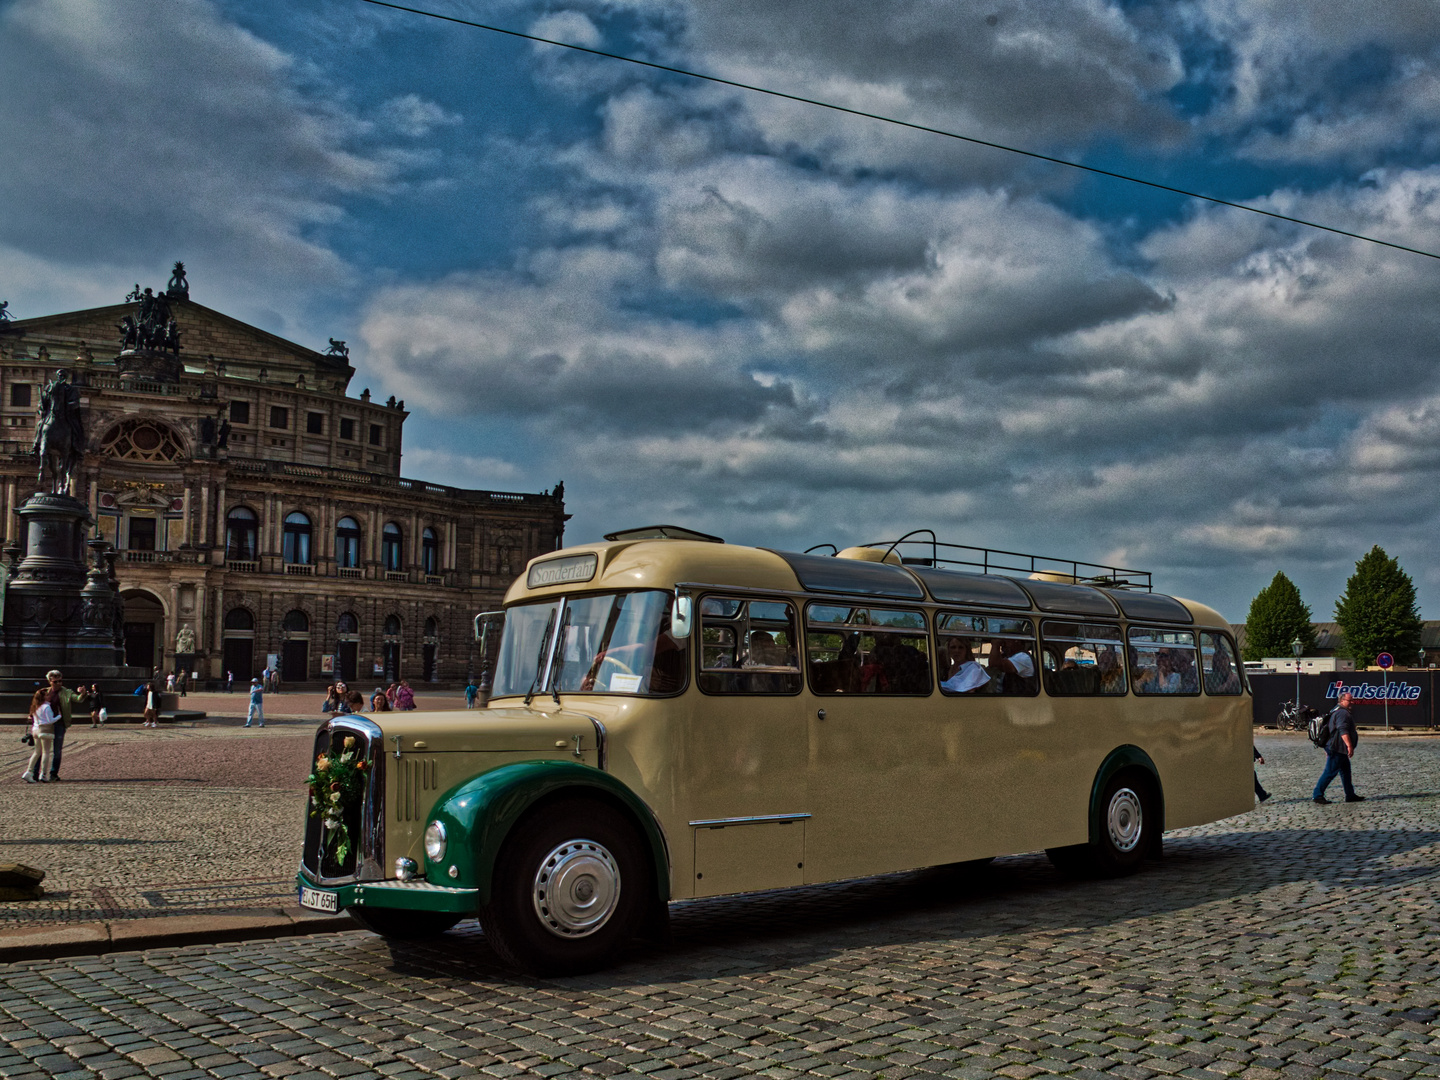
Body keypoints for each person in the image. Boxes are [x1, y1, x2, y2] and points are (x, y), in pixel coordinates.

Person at [25, 670, 88, 780]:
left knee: (57, 750)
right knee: (40, 750)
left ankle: (53, 773)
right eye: (56, 681)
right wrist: (33, 716)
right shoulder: (44, 692)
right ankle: (35, 773)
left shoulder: (66, 692)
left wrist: (82, 693)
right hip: (45, 725)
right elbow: (35, 705)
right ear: (50, 681)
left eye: (60, 681)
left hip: (59, 724)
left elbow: (77, 699)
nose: (59, 683)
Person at [1314, 691, 1363, 803]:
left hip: (1338, 748)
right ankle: (1317, 795)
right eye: (1349, 700)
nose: (1352, 702)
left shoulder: (1336, 710)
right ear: (1342, 701)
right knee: (1329, 772)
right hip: (1337, 748)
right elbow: (1342, 730)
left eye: (1352, 700)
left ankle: (1350, 795)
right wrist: (1349, 745)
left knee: (1345, 771)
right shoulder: (1342, 713)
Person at [21, 689, 57, 783]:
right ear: (43, 697)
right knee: (46, 752)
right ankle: (44, 774)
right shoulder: (46, 707)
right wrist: (59, 716)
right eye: (47, 695)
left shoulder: (35, 707)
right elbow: (50, 720)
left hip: (35, 730)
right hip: (44, 730)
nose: (49, 696)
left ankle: (28, 772)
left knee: (37, 752)